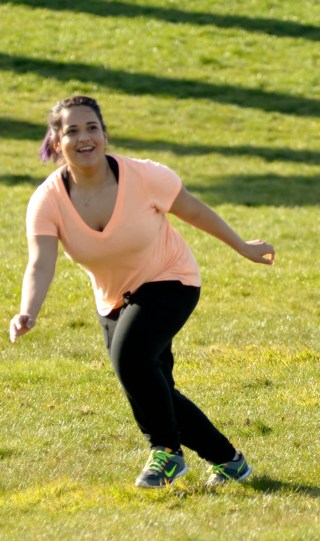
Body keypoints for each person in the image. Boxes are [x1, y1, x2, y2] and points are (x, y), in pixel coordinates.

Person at [9, 96, 276, 488]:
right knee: (155, 387)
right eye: (72, 131)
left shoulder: (146, 177)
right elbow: (40, 263)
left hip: (171, 278)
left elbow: (195, 211)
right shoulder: (47, 200)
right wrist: (27, 310)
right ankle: (228, 461)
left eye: (92, 128)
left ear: (105, 134)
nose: (85, 138)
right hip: (114, 299)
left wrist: (243, 247)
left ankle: (165, 453)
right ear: (56, 140)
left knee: (130, 360)